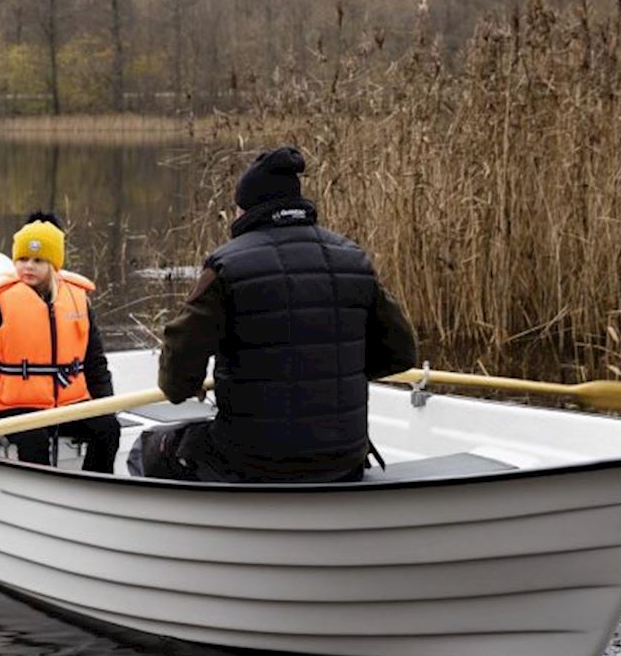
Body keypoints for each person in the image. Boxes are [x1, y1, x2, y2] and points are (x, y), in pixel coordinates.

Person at [134, 146, 418, 483]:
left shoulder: (227, 267)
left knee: (148, 449)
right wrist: (339, 371)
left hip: (254, 460)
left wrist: (192, 384)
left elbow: (176, 380)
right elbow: (401, 354)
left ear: (247, 209)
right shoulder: (353, 260)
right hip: (343, 456)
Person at [0, 212, 121, 473]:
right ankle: (43, 499)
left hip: (69, 403)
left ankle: (95, 489)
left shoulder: (77, 298)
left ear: (54, 264)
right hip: (16, 406)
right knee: (33, 440)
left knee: (108, 429)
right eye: (23, 259)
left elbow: (94, 363)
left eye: (38, 260)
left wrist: (106, 404)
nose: (28, 266)